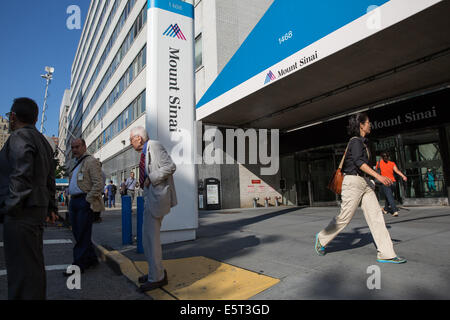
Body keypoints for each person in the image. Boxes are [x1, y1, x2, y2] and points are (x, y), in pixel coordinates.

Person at [314, 113, 406, 264]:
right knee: (344, 218)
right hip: (352, 182)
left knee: (376, 217)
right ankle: (322, 238)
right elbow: (358, 162)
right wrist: (379, 176)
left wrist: (373, 179)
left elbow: (365, 165)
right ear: (361, 125)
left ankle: (386, 253)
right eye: (368, 122)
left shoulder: (364, 143)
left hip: (365, 183)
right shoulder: (356, 141)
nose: (370, 125)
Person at [0, 97, 57, 299]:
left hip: (20, 212)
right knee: (32, 268)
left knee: (20, 272)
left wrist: (9, 207)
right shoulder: (43, 142)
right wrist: (51, 207)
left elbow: (20, 174)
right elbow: (51, 179)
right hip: (35, 210)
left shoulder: (19, 138)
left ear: (13, 117)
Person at [129, 126, 177, 292]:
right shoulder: (144, 152)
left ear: (138, 139)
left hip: (157, 198)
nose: (130, 143)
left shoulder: (154, 146)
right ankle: (154, 273)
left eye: (131, 140)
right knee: (147, 240)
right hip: (150, 198)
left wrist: (151, 177)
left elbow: (171, 166)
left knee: (152, 240)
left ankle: (157, 278)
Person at [64, 138, 104, 276]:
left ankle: (78, 265)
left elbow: (98, 183)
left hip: (84, 201)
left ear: (84, 146)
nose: (74, 149)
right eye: (72, 147)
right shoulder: (76, 163)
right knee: (78, 233)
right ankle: (92, 259)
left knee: (81, 234)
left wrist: (88, 199)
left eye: (77, 146)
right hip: (74, 201)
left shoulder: (91, 161)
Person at [376, 152, 407, 217]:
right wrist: (403, 176)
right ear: (388, 157)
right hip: (393, 183)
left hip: (385, 182)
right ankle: (385, 209)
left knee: (389, 196)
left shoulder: (379, 163)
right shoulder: (392, 163)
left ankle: (394, 210)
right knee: (389, 195)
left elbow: (377, 173)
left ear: (381, 157)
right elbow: (397, 171)